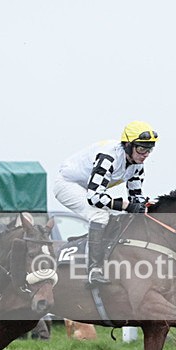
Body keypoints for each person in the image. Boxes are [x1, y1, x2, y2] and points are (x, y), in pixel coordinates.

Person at [53, 121, 156, 286]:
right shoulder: (108, 158)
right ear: (128, 145)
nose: (145, 154)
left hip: (89, 187)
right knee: (99, 215)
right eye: (141, 149)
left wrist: (152, 207)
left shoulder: (137, 166)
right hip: (67, 184)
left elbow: (136, 197)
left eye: (149, 150)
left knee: (119, 216)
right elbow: (94, 198)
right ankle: (94, 269)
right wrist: (127, 206)